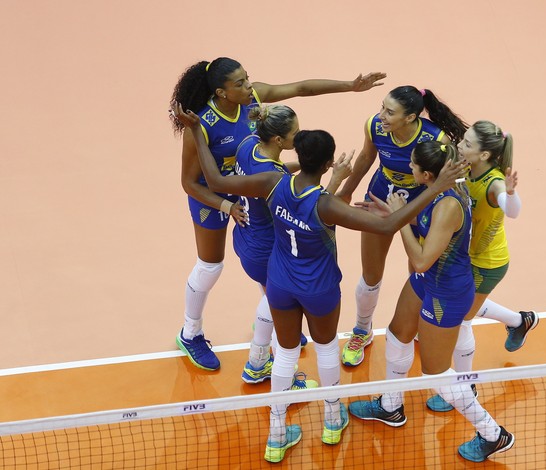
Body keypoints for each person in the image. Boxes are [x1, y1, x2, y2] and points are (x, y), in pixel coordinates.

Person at [172, 103, 468, 463]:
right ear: (329, 164)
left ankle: (277, 434)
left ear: (297, 154)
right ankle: (331, 418)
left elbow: (216, 181)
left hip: (280, 282)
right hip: (319, 288)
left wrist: (197, 132)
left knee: (285, 354)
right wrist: (436, 186)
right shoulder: (328, 205)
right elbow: (387, 225)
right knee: (326, 349)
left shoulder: (272, 182)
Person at [169, 57, 386, 371]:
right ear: (221, 92)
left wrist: (350, 86)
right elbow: (189, 182)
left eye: (247, 78)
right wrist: (226, 205)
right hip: (213, 195)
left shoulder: (253, 101)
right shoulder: (201, 124)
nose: (248, 86)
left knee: (275, 263)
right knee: (211, 265)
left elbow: (301, 88)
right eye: (239, 83)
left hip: (252, 186)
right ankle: (191, 332)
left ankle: (279, 315)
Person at [348, 141, 515, 463]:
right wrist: (393, 215)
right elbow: (420, 228)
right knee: (397, 335)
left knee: (434, 373)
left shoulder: (448, 205)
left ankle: (493, 433)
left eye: (412, 166)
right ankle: (390, 406)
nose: (407, 169)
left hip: (446, 292)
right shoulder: (432, 191)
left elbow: (422, 260)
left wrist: (397, 220)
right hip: (429, 282)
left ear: (426, 174)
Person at [335, 85, 469, 366]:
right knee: (370, 275)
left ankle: (419, 325)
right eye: (382, 107)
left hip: (422, 205)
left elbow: (451, 178)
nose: (381, 115)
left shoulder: (435, 139)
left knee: (419, 271)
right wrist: (347, 191)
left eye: (390, 112)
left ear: (410, 118)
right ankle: (362, 329)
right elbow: (365, 158)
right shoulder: (374, 126)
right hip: (379, 197)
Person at [425, 120, 538, 413]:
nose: (460, 145)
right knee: (468, 305)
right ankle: (519, 320)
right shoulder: (466, 170)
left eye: (467, 144)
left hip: (488, 263)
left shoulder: (494, 182)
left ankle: (466, 385)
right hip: (467, 256)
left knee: (463, 318)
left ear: (484, 155)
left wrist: (511, 193)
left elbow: (512, 212)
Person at [235, 104, 351, 385]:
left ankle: (258, 362)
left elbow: (271, 173)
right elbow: (312, 208)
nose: (298, 137)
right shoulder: (279, 181)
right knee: (273, 302)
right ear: (278, 140)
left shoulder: (248, 145)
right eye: (295, 133)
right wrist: (335, 179)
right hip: (269, 249)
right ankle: (258, 362)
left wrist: (224, 204)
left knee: (273, 299)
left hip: (245, 238)